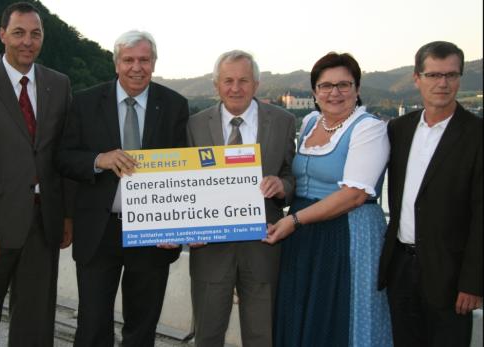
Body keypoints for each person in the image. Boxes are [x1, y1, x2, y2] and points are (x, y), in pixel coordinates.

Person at [56, 30, 189, 347]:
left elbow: (186, 170)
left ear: (154, 63)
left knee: (142, 328)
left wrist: (178, 228)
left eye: (144, 59)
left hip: (152, 233)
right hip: (99, 231)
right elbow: (62, 158)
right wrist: (98, 160)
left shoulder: (174, 105)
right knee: (91, 326)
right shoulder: (85, 102)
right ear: (116, 64)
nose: (136, 67)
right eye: (128, 60)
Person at [0, 2, 74, 346]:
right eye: (18, 32)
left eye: (35, 34)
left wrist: (66, 215)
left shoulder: (59, 84)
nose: (27, 41)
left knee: (35, 325)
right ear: (2, 34)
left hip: (43, 225)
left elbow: (60, 156)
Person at [264, 52, 392, 346]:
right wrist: (281, 187)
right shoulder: (309, 123)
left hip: (345, 232)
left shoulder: (368, 128)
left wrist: (294, 220)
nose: (335, 92)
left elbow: (354, 195)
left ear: (357, 90)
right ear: (314, 92)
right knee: (302, 309)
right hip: (303, 235)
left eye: (344, 85)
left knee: (336, 313)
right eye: (326, 85)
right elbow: (299, 178)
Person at [186, 50, 295, 347]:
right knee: (207, 334)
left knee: (262, 335)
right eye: (228, 81)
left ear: (256, 84)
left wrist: (282, 186)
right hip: (210, 247)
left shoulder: (283, 121)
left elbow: (292, 176)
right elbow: (186, 185)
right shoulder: (194, 124)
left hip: (264, 242)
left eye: (244, 80)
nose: (236, 88)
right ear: (216, 85)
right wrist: (184, 226)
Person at [378, 41, 482, 347]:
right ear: (416, 78)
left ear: (460, 78)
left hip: (451, 278)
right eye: (434, 75)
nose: (443, 83)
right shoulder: (399, 129)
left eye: (451, 75)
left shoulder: (477, 135)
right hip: (400, 267)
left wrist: (473, 283)